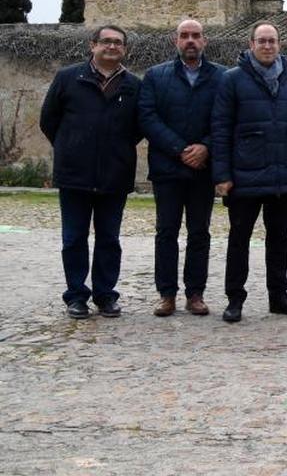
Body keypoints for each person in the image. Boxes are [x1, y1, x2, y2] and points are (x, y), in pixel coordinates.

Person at [40, 24, 142, 320]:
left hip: (115, 174)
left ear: (124, 49)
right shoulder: (68, 78)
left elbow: (137, 128)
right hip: (74, 174)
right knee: (74, 237)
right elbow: (49, 120)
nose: (112, 47)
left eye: (118, 43)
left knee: (109, 238)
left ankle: (105, 295)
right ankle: (76, 296)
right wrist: (71, 147)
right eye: (106, 42)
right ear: (92, 45)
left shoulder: (133, 85)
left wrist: (116, 149)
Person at [211, 22, 287, 322]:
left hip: (282, 175)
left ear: (280, 44)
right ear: (251, 44)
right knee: (239, 238)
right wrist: (222, 175)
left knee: (279, 239)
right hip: (245, 174)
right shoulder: (232, 80)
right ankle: (235, 299)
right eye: (262, 41)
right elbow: (220, 129)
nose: (268, 46)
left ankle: (278, 295)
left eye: (273, 41)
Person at [138, 19, 224, 318]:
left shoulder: (222, 77)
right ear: (176, 40)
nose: (190, 40)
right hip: (167, 168)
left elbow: (225, 120)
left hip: (204, 169)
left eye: (196, 36)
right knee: (166, 232)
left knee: (199, 232)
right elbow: (147, 117)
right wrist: (180, 149)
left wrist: (206, 147)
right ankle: (167, 294)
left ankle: (195, 294)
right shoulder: (156, 76)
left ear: (205, 41)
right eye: (185, 36)